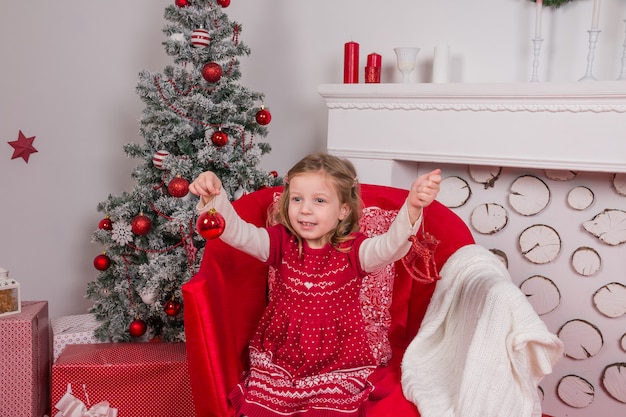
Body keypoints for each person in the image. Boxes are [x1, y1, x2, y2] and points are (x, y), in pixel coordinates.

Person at [189, 152, 441, 417]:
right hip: (282, 353)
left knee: (328, 408)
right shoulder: (279, 242)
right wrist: (213, 197)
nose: (305, 209)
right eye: (297, 199)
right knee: (268, 404)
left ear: (343, 209)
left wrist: (412, 207)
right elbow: (238, 233)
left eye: (319, 200)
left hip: (337, 357)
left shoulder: (354, 250)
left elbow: (391, 246)